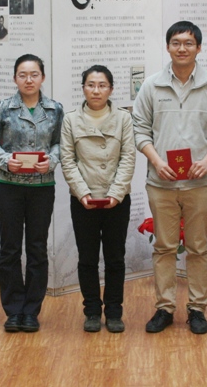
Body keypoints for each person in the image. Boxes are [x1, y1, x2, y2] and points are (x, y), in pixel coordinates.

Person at [132, 21, 207, 335]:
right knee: (164, 247)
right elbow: (140, 130)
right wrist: (157, 161)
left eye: (188, 43)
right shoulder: (151, 86)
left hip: (201, 182)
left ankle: (197, 309)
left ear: (198, 47)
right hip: (162, 183)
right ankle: (165, 308)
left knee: (198, 247)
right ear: (168, 46)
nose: (182, 48)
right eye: (176, 42)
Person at [0, 54, 63, 333]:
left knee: (37, 248)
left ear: (42, 77)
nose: (29, 80)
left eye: (34, 74)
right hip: (9, 186)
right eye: (23, 75)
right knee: (10, 248)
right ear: (15, 78)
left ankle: (31, 310)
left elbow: (60, 143)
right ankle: (13, 309)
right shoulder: (3, 108)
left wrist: (51, 161)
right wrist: (6, 160)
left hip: (42, 187)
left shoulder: (55, 109)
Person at [60, 65, 135, 333]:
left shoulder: (124, 118)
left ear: (111, 89)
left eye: (102, 85)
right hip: (84, 200)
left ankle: (114, 311)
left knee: (115, 258)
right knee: (87, 258)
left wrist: (116, 192)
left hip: (117, 200)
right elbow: (67, 160)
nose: (96, 90)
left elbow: (128, 157)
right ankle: (91, 311)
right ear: (83, 88)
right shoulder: (71, 120)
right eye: (91, 85)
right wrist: (82, 192)